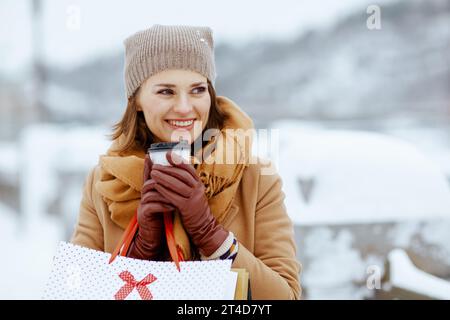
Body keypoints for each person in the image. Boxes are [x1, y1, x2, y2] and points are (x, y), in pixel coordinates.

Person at [71, 24, 301, 299]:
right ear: (137, 101)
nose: (184, 107)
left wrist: (210, 234)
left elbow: (284, 296)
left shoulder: (255, 178)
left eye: (197, 90)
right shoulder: (103, 182)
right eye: (166, 91)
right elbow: (77, 292)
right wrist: (140, 249)